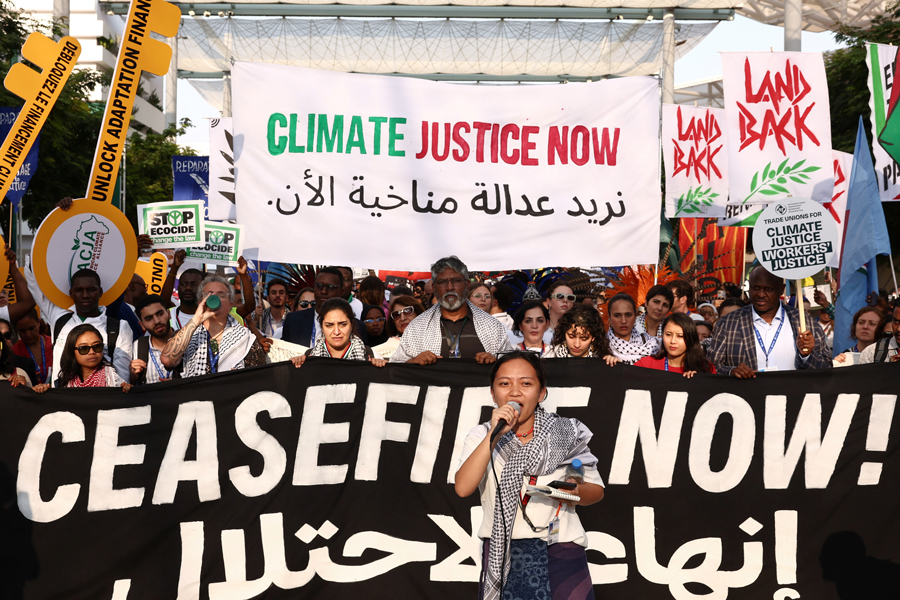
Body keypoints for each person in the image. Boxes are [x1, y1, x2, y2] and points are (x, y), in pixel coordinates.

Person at [454, 351, 603, 600]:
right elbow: (463, 488)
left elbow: (595, 491)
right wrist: (495, 435)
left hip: (561, 550)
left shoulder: (565, 434)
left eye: (525, 383)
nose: (514, 392)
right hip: (504, 553)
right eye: (504, 384)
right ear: (493, 393)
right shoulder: (481, 436)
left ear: (541, 393)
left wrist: (574, 492)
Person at [706, 266, 831, 378]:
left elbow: (827, 368)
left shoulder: (804, 322)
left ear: (781, 289)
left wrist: (807, 356)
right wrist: (731, 371)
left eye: (768, 289)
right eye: (756, 288)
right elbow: (710, 367)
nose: (761, 294)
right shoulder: (729, 323)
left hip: (793, 399)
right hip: (747, 400)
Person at [390, 256, 514, 364]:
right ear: (434, 287)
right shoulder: (417, 328)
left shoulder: (492, 326)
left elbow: (511, 366)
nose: (450, 287)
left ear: (466, 285)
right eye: (442, 282)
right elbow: (396, 367)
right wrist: (412, 362)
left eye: (456, 281)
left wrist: (495, 362)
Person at [26, 264, 133, 386]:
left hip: (103, 399)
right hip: (63, 400)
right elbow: (34, 283)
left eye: (91, 289)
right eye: (79, 290)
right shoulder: (59, 319)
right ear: (71, 293)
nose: (85, 295)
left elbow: (123, 377)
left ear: (100, 292)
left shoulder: (118, 328)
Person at [160, 274, 266, 377]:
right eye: (208, 294)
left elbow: (257, 379)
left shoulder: (246, 339)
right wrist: (196, 319)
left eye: (221, 295)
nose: (215, 298)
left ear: (230, 304)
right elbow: (167, 360)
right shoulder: (185, 335)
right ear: (201, 302)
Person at [289, 298, 385, 367]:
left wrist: (382, 370)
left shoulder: (370, 356)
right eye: (329, 325)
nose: (336, 331)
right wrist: (293, 366)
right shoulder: (308, 357)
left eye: (343, 324)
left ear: (351, 325)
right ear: (322, 327)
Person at [36, 324, 129, 392]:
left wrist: (129, 391)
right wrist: (41, 391)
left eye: (97, 347)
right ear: (72, 351)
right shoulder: (62, 383)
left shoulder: (114, 380)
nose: (92, 352)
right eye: (83, 348)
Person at [635, 313, 714, 378]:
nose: (673, 341)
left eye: (680, 336)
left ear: (691, 338)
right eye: (668, 334)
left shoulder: (706, 368)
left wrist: (699, 380)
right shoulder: (646, 365)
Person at [281, 268, 345, 347]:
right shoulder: (293, 321)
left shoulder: (353, 325)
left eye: (330, 287)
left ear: (341, 292)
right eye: (319, 286)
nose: (323, 291)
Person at [546, 304, 619, 366]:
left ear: (593, 337)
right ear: (564, 333)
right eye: (571, 336)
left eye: (584, 338)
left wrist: (614, 365)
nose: (577, 344)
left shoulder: (602, 360)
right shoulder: (550, 356)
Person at [129, 294, 177, 384]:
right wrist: (132, 376)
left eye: (160, 314)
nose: (157, 321)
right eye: (149, 318)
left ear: (169, 314)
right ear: (142, 325)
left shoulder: (187, 340)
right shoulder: (137, 347)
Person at [605, 293, 660, 365]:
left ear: (635, 316)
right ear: (609, 317)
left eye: (628, 315)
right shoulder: (601, 346)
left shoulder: (653, 344)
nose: (623, 321)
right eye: (617, 315)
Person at [12, 308, 51, 385]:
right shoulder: (14, 351)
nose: (28, 334)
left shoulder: (55, 344)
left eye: (31, 328)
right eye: (22, 331)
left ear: (39, 323)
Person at [250, 279, 290, 348]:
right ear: (268, 298)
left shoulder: (292, 318)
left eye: (281, 292)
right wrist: (256, 319)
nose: (277, 295)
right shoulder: (260, 316)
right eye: (274, 293)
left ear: (286, 297)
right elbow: (249, 335)